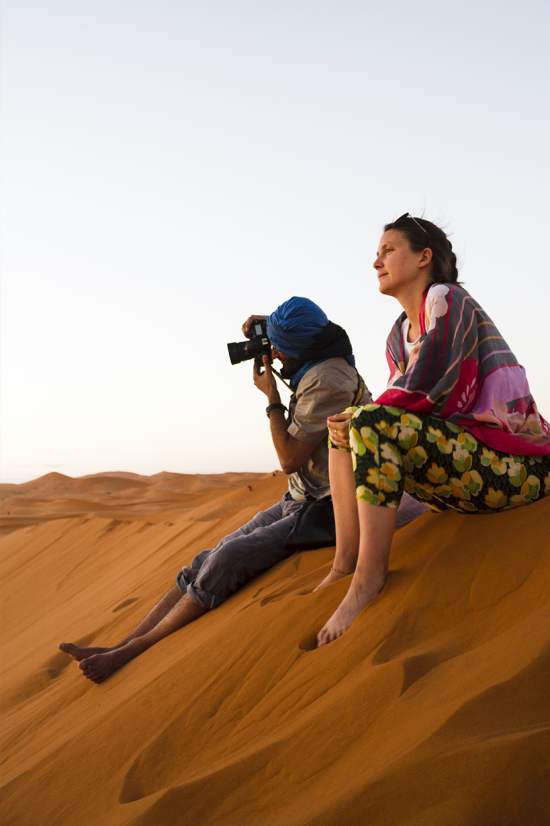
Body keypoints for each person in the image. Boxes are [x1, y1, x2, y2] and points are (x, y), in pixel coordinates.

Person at [59, 296, 375, 682]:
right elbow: (309, 327)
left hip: (328, 506)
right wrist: (266, 323)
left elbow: (289, 459)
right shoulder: (322, 345)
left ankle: (133, 651)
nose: (274, 354)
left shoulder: (328, 379)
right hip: (300, 496)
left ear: (300, 347)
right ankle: (120, 643)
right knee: (206, 557)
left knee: (227, 559)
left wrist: (272, 399)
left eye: (279, 347)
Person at [316, 214, 550, 647]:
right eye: (376, 253)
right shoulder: (397, 336)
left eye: (388, 251)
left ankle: (368, 578)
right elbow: (408, 408)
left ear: (424, 257)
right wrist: (356, 420)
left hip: (518, 467)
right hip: (466, 469)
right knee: (345, 427)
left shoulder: (447, 297)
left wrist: (366, 416)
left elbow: (432, 385)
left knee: (368, 420)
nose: (377, 262)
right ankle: (344, 564)